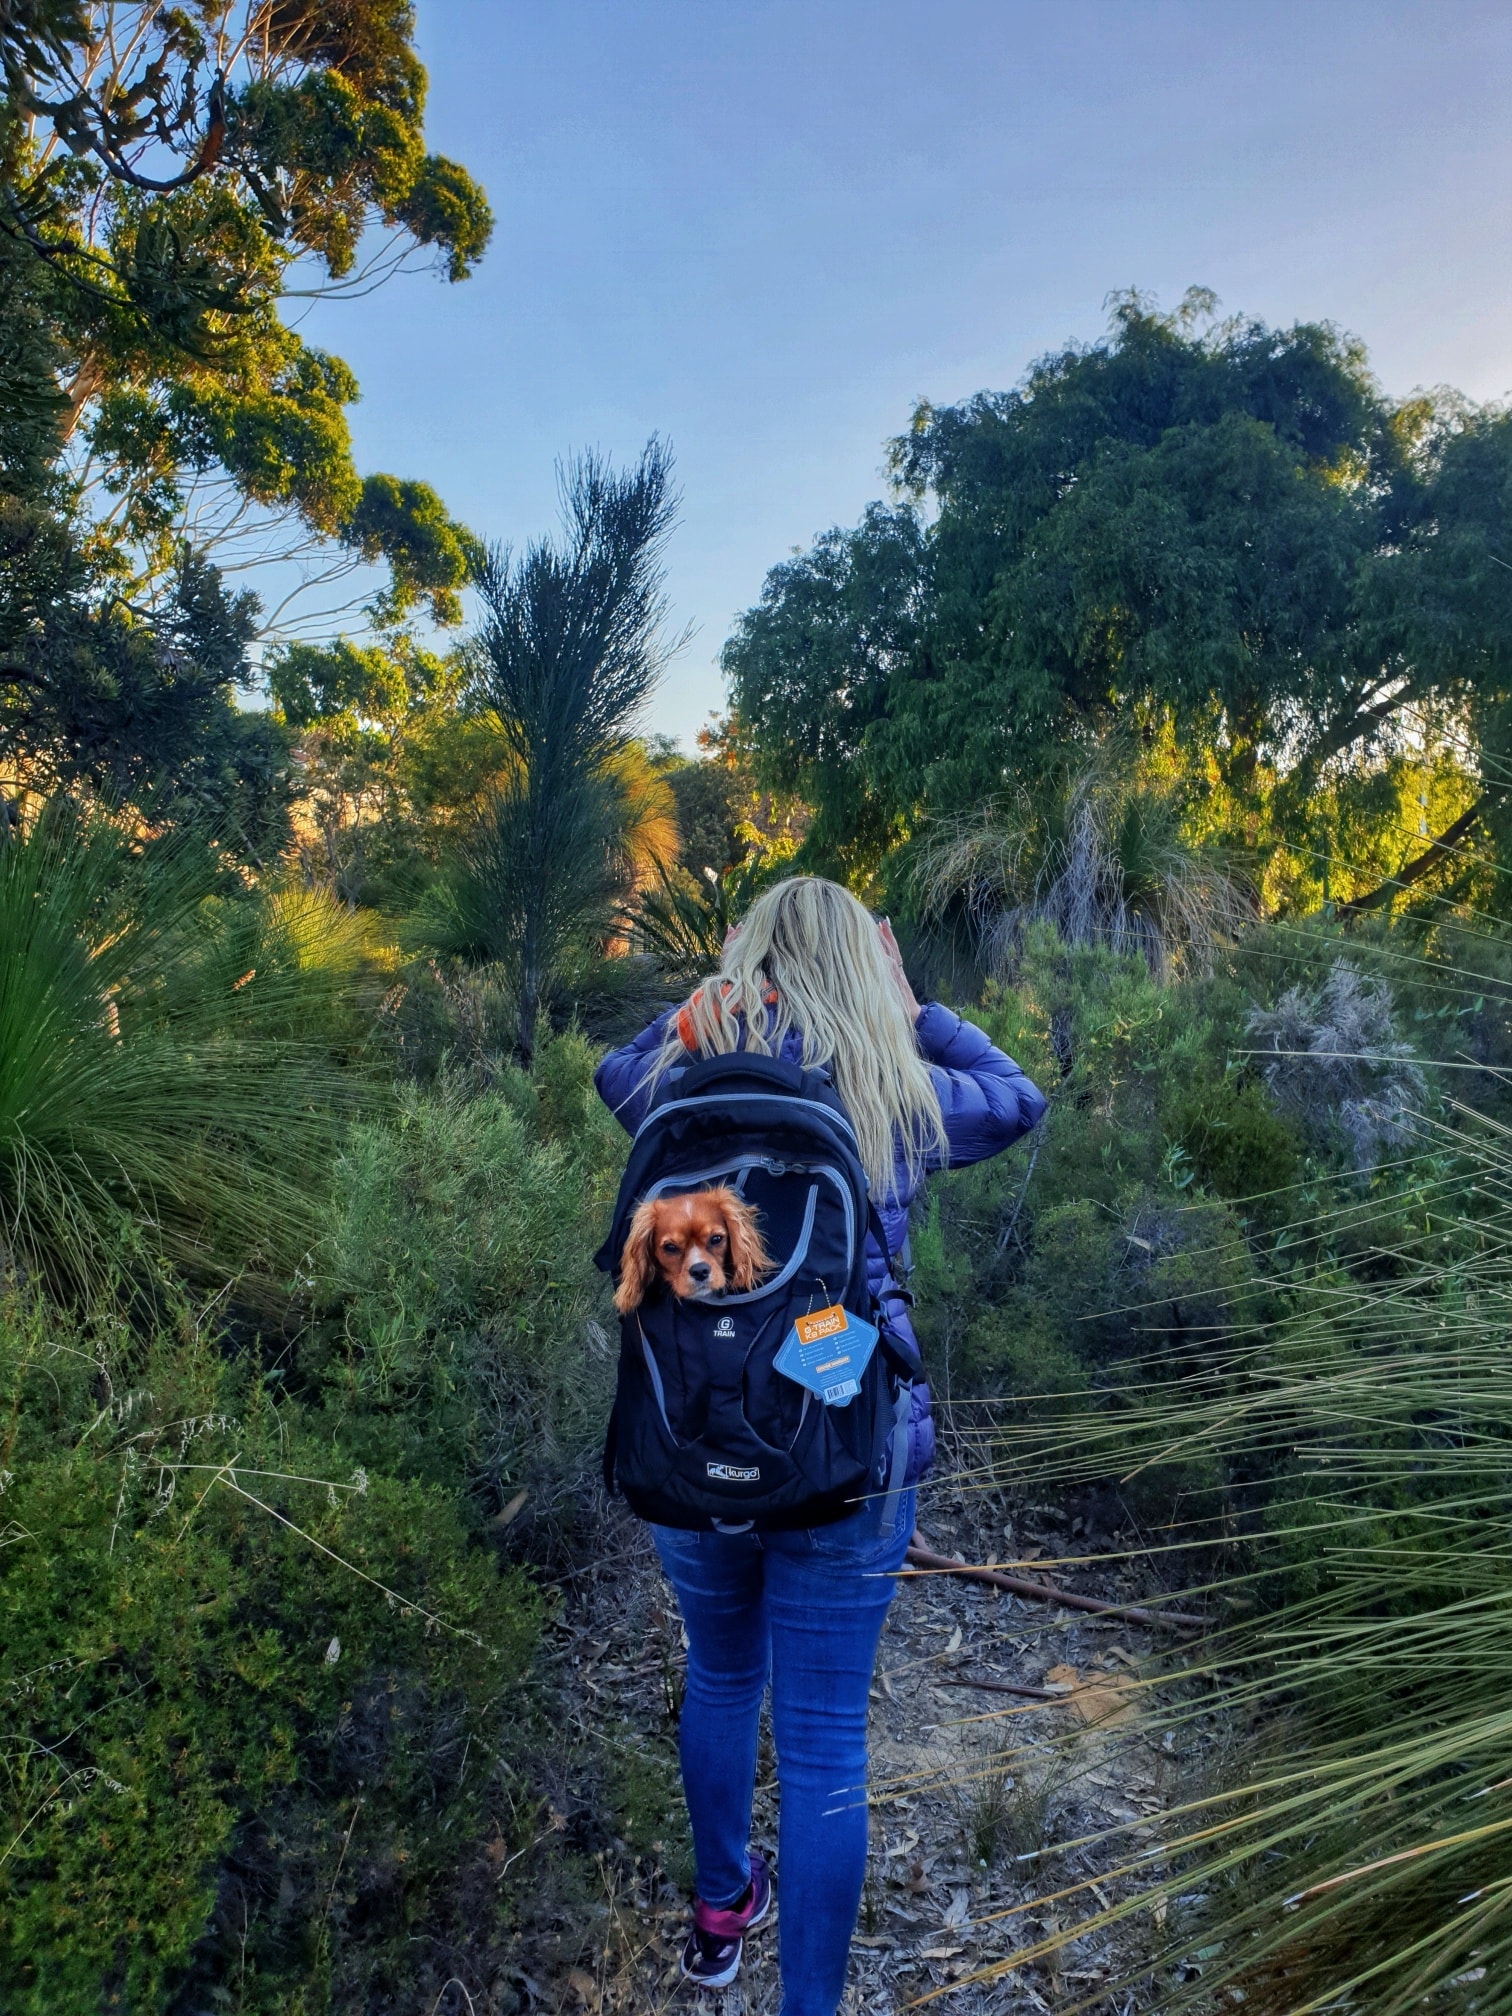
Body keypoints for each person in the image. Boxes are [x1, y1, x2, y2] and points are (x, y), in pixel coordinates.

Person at [594, 875, 1045, 2016]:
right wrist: (915, 1004)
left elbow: (610, 1075)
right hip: (850, 1447)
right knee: (826, 1745)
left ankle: (717, 1914)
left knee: (720, 1672)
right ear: (866, 963)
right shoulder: (893, 1082)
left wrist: (690, 1012)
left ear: (744, 956)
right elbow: (1018, 1096)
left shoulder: (683, 1076)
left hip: (691, 1439)